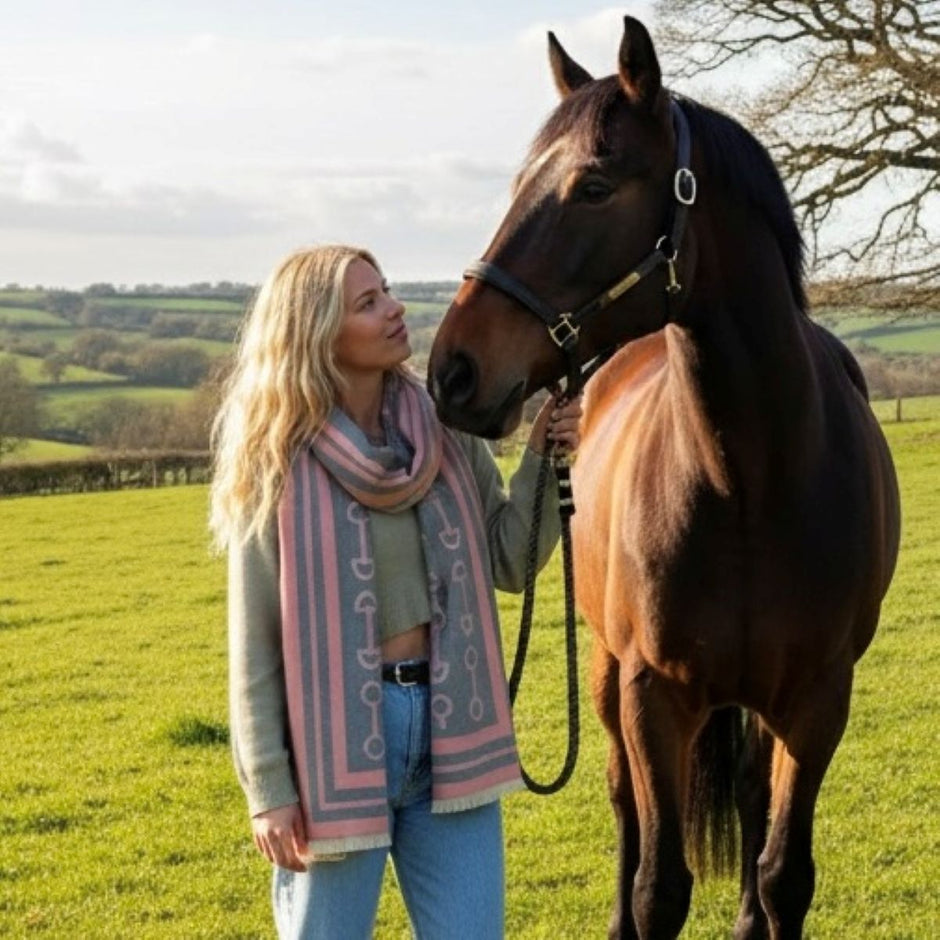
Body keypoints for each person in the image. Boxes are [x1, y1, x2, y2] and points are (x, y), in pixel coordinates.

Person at [209, 244, 582, 939]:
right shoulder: (276, 460)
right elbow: (253, 643)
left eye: (387, 291)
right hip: (334, 748)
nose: (396, 308)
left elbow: (508, 558)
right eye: (368, 302)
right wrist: (268, 791)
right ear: (316, 332)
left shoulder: (442, 428)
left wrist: (542, 459)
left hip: (452, 729)